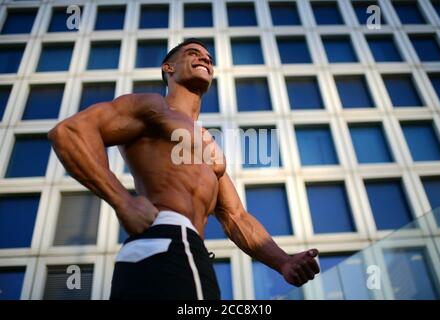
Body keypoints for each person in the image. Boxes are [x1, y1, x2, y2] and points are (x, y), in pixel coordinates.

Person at [48, 38, 320, 300]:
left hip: (171, 251)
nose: (204, 58)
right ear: (169, 68)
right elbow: (70, 132)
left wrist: (283, 261)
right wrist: (122, 201)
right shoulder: (153, 107)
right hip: (171, 240)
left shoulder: (210, 147)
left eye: (209, 58)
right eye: (193, 53)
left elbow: (236, 216)